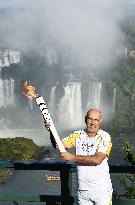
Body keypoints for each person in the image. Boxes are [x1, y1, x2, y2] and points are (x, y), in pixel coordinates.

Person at [45, 109, 113, 205]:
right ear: (85, 120)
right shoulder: (78, 135)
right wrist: (51, 131)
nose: (93, 123)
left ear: (100, 122)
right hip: (83, 192)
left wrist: (72, 157)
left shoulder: (105, 137)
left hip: (101, 192)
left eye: (96, 120)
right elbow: (57, 144)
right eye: (90, 119)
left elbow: (97, 160)